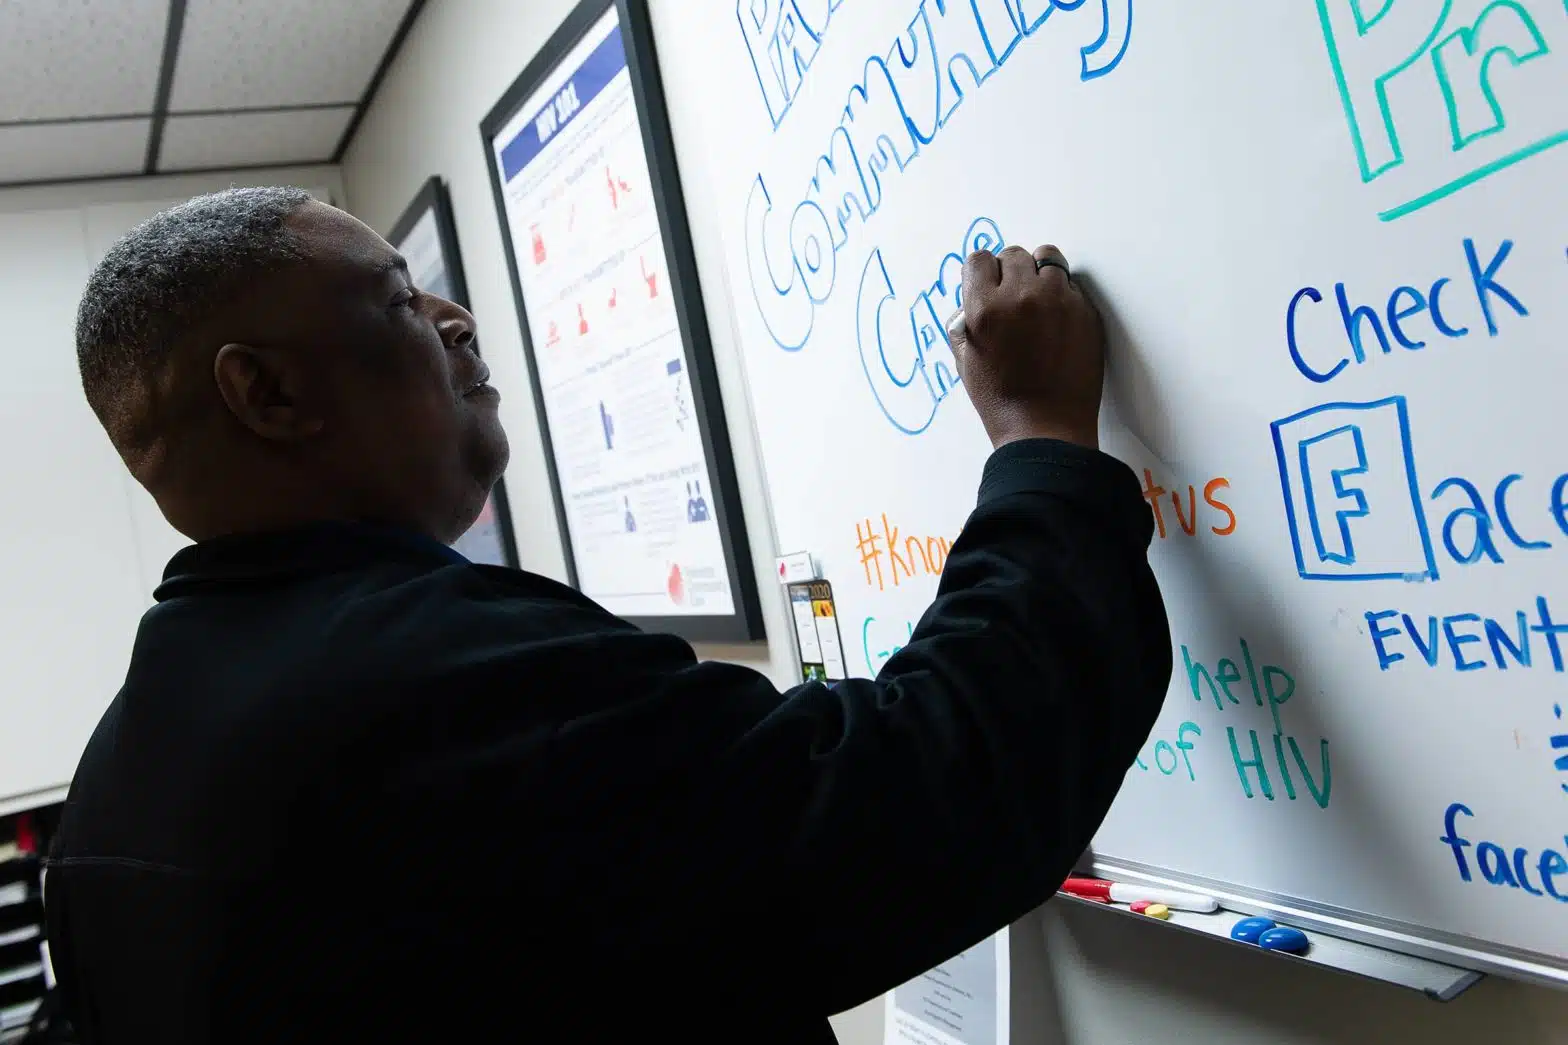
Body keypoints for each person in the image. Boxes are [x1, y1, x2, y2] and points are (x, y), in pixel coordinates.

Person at [45, 188, 1171, 1044]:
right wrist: (1037, 438)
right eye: (396, 298)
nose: (453, 317)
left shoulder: (113, 788)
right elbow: (927, 796)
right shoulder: (423, 688)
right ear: (268, 394)